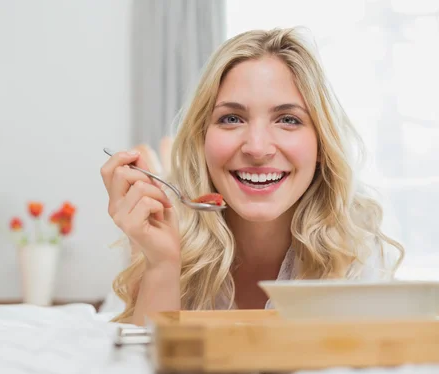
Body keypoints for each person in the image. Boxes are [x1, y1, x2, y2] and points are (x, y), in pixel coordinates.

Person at [99, 27, 404, 326]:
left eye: (288, 120)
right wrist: (161, 264)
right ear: (202, 139)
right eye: (231, 119)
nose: (257, 148)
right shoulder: (159, 232)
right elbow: (140, 370)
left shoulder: (359, 243)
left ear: (322, 144)